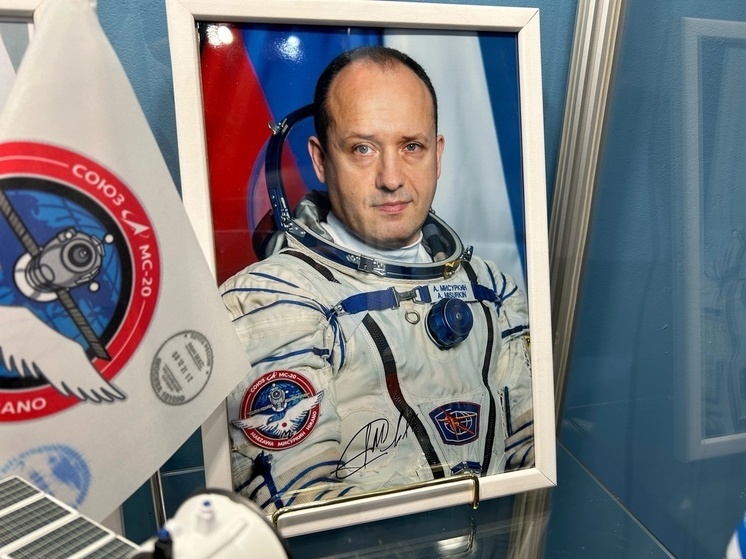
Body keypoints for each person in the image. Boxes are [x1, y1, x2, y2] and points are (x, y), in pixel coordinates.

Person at [220, 45, 533, 514]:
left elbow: (535, 465)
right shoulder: (272, 303)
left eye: (411, 147)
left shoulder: (495, 291)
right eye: (362, 149)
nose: (391, 178)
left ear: (437, 155)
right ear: (321, 160)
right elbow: (300, 509)